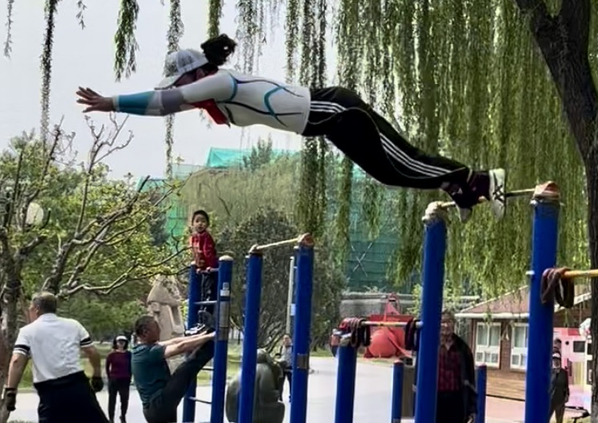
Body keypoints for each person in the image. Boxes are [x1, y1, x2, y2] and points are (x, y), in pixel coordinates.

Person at [74, 34, 507, 223]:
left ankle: (479, 180)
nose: (181, 90)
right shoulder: (214, 95)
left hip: (338, 111)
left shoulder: (220, 81)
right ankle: (459, 186)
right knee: (391, 170)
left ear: (195, 73)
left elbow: (165, 102)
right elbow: (170, 104)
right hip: (329, 123)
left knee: (402, 163)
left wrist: (111, 103)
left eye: (181, 81)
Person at [2, 292, 108, 423]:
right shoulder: (74, 325)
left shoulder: (27, 331)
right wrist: (97, 376)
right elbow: (92, 351)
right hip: (78, 387)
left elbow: (17, 361)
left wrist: (11, 391)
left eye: (30, 308)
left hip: (50, 392)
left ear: (36, 309)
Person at [131, 315, 216, 423]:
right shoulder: (148, 352)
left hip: (155, 409)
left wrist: (204, 334)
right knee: (185, 369)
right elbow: (181, 347)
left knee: (185, 369)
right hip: (158, 404)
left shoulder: (141, 348)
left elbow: (175, 342)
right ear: (145, 332)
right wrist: (211, 336)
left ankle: (210, 342)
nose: (159, 330)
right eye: (156, 327)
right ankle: (211, 346)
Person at [436, 310, 476, 423]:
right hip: (436, 398)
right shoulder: (431, 345)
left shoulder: (463, 348)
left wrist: (472, 408)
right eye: (443, 322)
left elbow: (471, 380)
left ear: (454, 324)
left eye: (449, 322)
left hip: (456, 399)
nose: (446, 325)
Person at [191, 209, 218, 318]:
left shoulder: (206, 236)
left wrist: (210, 266)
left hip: (210, 267)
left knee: (210, 288)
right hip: (202, 267)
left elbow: (208, 252)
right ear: (193, 224)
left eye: (203, 221)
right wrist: (198, 266)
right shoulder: (194, 238)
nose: (200, 224)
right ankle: (202, 310)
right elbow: (194, 252)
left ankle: (208, 310)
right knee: (203, 288)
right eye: (197, 221)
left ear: (207, 224)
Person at [106, 335, 133, 423]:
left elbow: (132, 366)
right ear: (116, 343)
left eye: (123, 342)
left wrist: (130, 375)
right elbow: (107, 366)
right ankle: (111, 418)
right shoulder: (112, 354)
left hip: (125, 379)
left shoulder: (129, 354)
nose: (121, 344)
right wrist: (109, 377)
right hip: (114, 379)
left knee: (124, 399)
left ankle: (123, 415)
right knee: (112, 400)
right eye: (119, 342)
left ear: (125, 343)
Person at [548, 352, 570, 423]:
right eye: (554, 359)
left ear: (560, 361)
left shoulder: (564, 373)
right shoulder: (549, 371)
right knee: (546, 418)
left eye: (557, 359)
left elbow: (566, 385)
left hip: (560, 400)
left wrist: (567, 395)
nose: (555, 361)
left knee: (559, 420)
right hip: (550, 400)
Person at [278, 334, 293, 402]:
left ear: (290, 339)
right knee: (280, 383)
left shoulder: (292, 348)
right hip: (282, 367)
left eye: (287, 338)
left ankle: (291, 396)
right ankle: (279, 396)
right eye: (284, 339)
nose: (285, 340)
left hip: (290, 367)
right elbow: (280, 356)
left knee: (291, 383)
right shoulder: (282, 347)